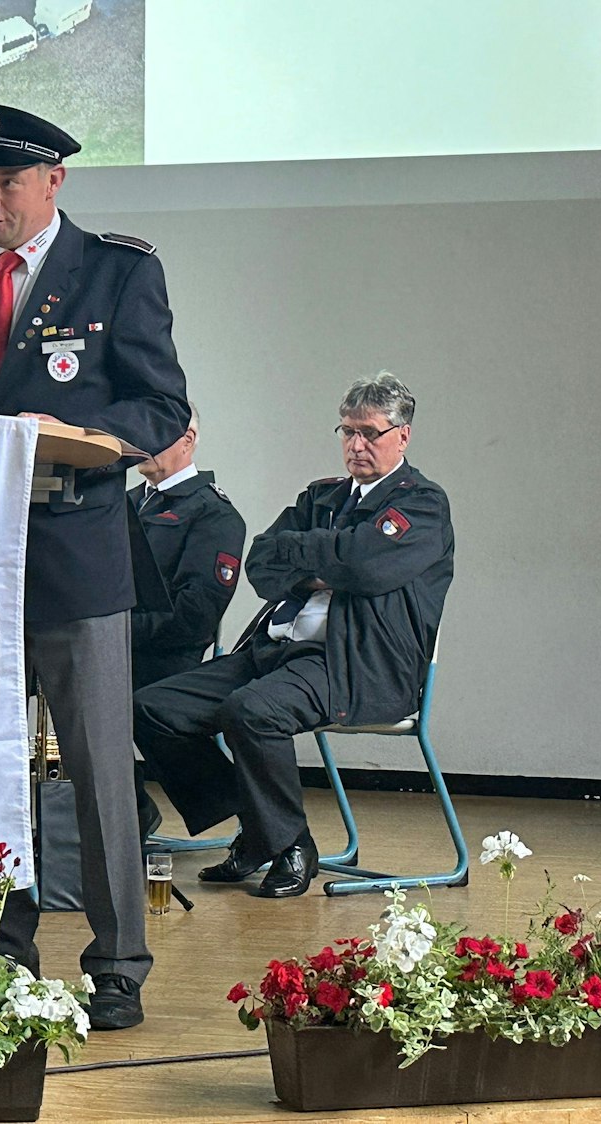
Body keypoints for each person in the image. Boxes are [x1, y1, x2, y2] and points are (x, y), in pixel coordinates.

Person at [0, 103, 191, 1029]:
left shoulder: (116, 270)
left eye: (8, 184)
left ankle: (115, 967)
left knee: (99, 770)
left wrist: (84, 434)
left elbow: (161, 405)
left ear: (53, 181)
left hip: (72, 553)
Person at [135, 375, 452, 899]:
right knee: (152, 707)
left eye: (370, 433)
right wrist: (333, 561)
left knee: (253, 711)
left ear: (403, 436)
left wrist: (311, 558)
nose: (357, 445)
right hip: (276, 654)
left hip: (354, 664)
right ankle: (263, 828)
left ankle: (290, 843)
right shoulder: (321, 496)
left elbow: (367, 567)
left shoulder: (422, 505)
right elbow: (262, 562)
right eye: (347, 431)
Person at [126, 403, 245, 835]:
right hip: (115, 647)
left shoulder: (213, 513)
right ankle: (126, 811)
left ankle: (246, 813)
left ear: (188, 441)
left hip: (166, 657)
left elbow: (194, 617)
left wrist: (118, 631)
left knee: (100, 697)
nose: (141, 443)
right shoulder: (126, 503)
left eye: (155, 433)